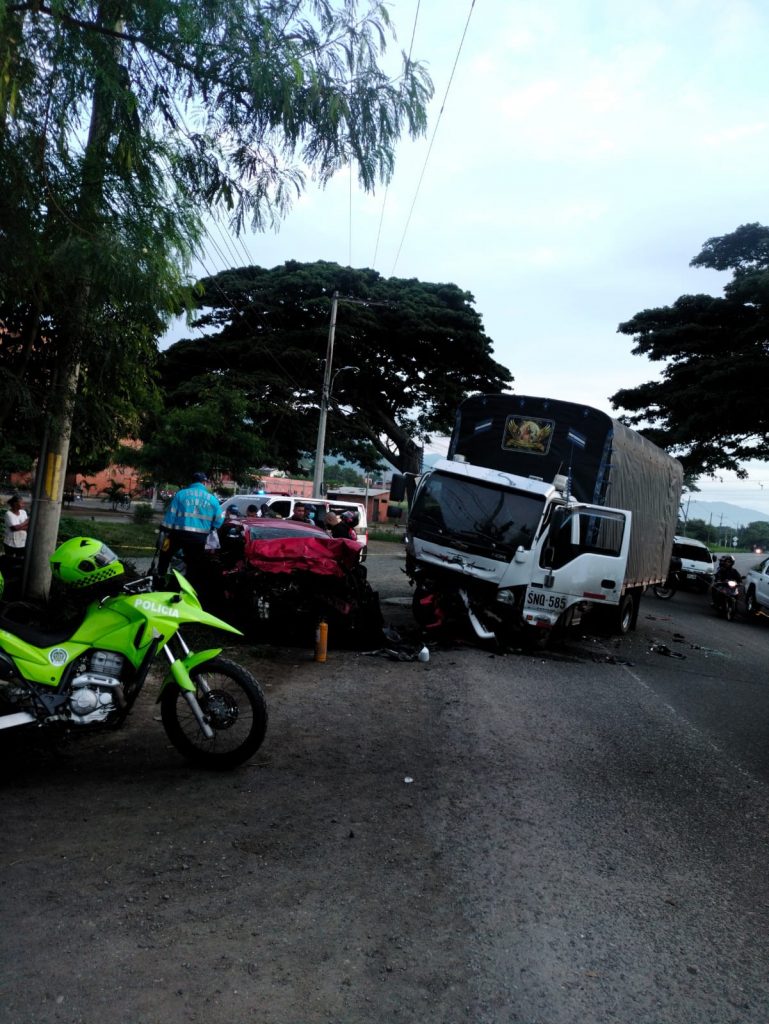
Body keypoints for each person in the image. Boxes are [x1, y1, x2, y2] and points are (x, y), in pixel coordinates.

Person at [158, 473, 224, 586]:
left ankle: (161, 576)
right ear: (204, 483)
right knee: (194, 562)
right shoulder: (212, 499)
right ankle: (190, 585)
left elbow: (171, 514)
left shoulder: (181, 494)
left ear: (192, 482)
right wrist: (212, 527)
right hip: (199, 538)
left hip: (178, 534)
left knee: (165, 553)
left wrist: (165, 529)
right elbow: (219, 519)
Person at [4, 494, 28, 560]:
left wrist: (18, 527)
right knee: (9, 560)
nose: (23, 504)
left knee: (19, 560)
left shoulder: (23, 512)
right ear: (15, 504)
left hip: (22, 542)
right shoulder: (8, 514)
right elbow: (14, 528)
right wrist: (25, 522)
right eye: (21, 503)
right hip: (10, 543)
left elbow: (28, 526)